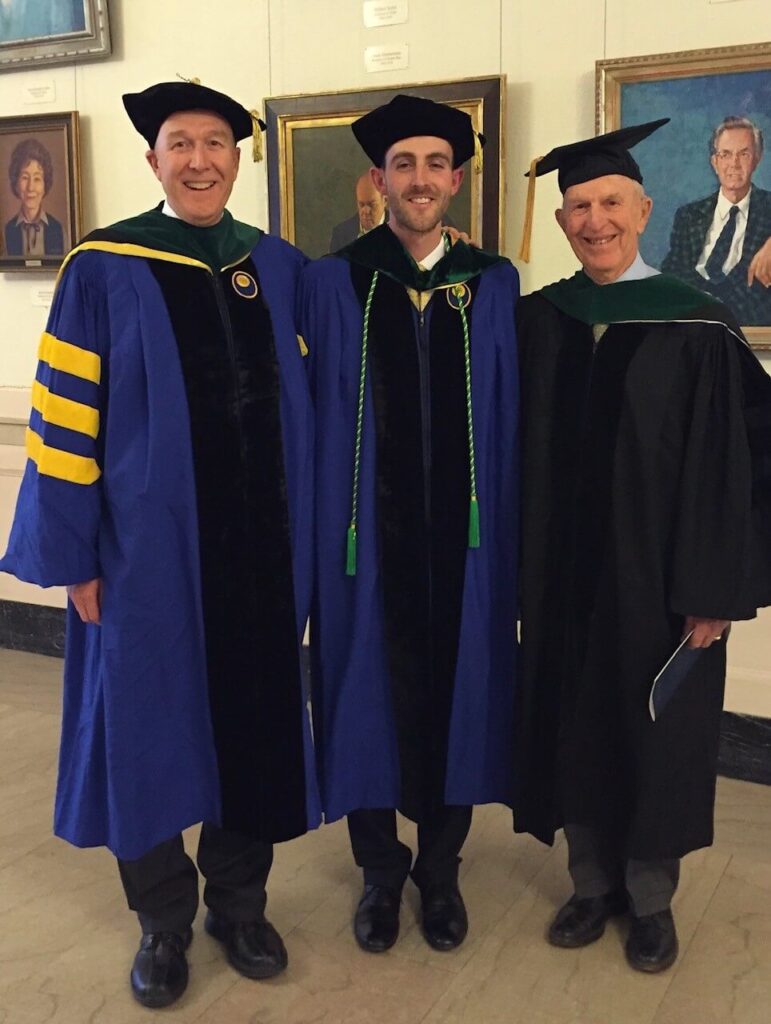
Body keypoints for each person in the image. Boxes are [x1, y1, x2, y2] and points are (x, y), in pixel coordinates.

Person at [0, 79, 320, 1009]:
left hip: (262, 549)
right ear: (153, 160)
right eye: (179, 143)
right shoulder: (104, 266)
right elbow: (61, 419)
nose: (198, 160)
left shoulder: (279, 264)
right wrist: (78, 558)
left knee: (254, 722)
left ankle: (240, 904)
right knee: (144, 728)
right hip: (146, 555)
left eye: (215, 142)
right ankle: (163, 922)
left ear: (236, 157)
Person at [514, 119, 771, 974]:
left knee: (656, 734)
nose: (594, 220)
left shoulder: (697, 325)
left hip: (663, 585)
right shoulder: (541, 323)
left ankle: (649, 899)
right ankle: (590, 884)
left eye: (610, 203)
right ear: (560, 222)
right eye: (578, 206)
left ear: (644, 208)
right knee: (574, 724)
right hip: (563, 579)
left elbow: (740, 469)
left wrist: (716, 588)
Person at [300, 94, 519, 954]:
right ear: (378, 179)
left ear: (456, 180)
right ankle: (379, 874)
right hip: (364, 544)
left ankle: (441, 870)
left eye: (435, 165)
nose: (420, 180)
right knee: (362, 693)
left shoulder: (491, 284)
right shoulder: (332, 280)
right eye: (404, 165)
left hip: (464, 545)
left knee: (458, 691)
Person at [662, 115, 771, 325]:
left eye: (744, 154)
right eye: (726, 154)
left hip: (748, 326)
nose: (734, 164)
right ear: (715, 162)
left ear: (757, 159)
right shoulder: (688, 216)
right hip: (692, 326)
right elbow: (672, 273)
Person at [4, 137, 65, 257]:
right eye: (25, 177)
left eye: (37, 179)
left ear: (45, 184)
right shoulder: (6, 230)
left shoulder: (58, 229)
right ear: (15, 182)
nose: (30, 187)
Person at [328, 170, 387, 252]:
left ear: (385, 200)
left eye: (372, 205)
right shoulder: (340, 235)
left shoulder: (403, 232)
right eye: (361, 204)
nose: (366, 211)